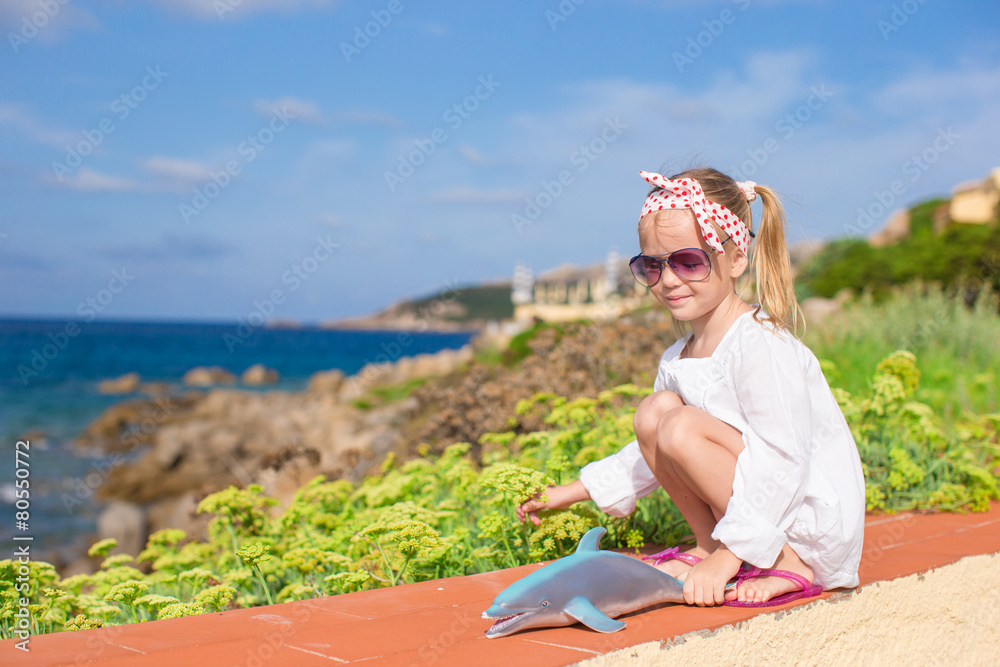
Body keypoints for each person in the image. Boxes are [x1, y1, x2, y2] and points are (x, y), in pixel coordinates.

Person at [517, 167, 865, 608]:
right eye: (652, 265)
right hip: (754, 511)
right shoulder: (679, 357)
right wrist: (574, 491)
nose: (668, 280)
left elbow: (784, 460)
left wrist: (734, 556)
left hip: (804, 518)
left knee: (678, 423)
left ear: (736, 258)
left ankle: (783, 562)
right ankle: (709, 543)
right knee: (654, 413)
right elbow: (655, 447)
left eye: (689, 261)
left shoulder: (759, 344)